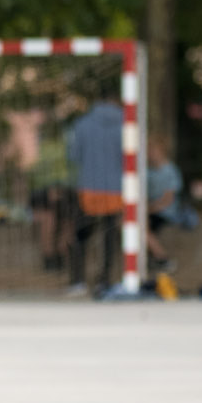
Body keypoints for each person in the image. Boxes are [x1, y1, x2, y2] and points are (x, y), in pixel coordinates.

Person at [66, 98, 125, 297]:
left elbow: (74, 155)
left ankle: (77, 281)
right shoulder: (127, 124)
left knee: (80, 235)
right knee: (110, 236)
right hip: (116, 189)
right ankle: (105, 281)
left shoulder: (82, 123)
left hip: (89, 187)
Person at [142, 135, 193, 275]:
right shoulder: (148, 171)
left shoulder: (170, 170)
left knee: (142, 228)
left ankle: (162, 257)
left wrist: (149, 209)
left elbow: (168, 199)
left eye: (153, 150)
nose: (150, 153)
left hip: (165, 212)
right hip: (152, 210)